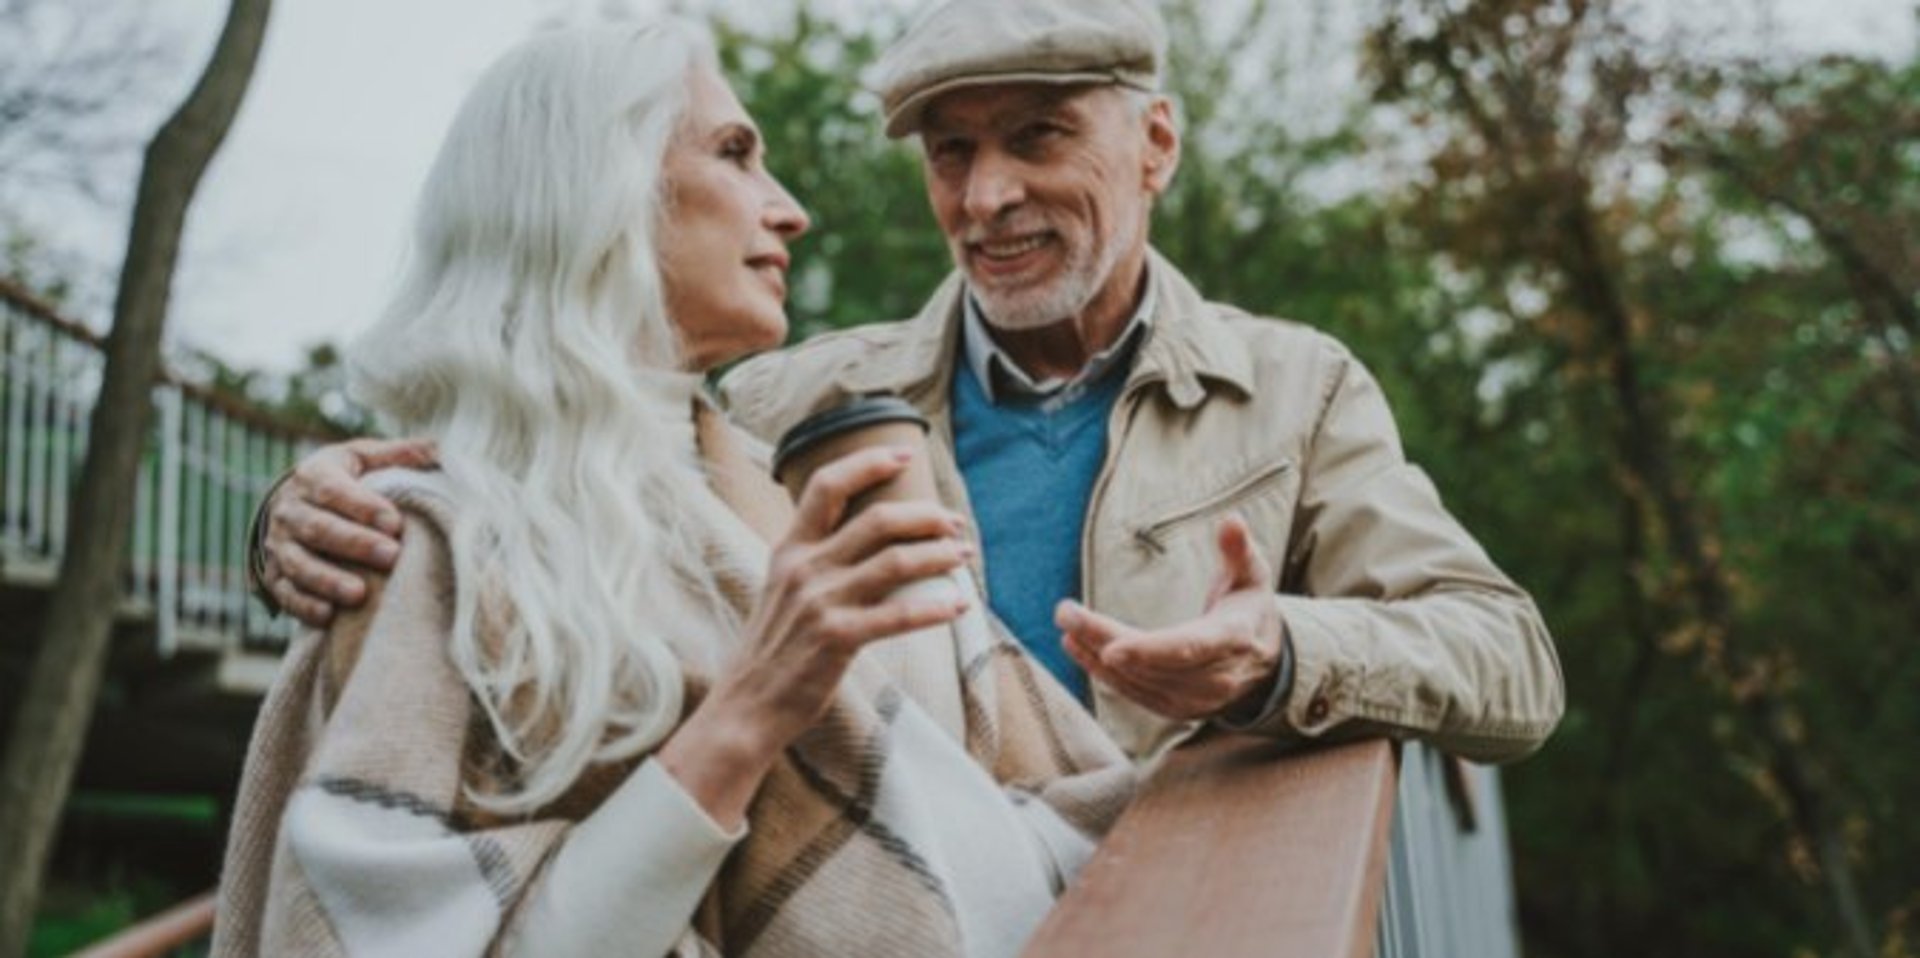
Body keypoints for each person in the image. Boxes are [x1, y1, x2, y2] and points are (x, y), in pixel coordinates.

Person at [252, 0, 1564, 764]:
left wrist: (1283, 649)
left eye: (1038, 137)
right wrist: (307, 507)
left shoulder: (1299, 389)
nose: (985, 198)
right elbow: (544, 465)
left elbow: (1510, 663)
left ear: (1155, 140)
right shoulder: (776, 405)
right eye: (951, 152)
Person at [214, 20, 1133, 958]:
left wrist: (1271, 665)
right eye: (735, 154)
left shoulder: (774, 476)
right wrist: (754, 705)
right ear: (591, 190)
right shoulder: (439, 545)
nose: (789, 210)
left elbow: (1062, 805)